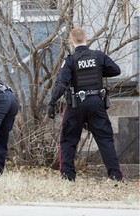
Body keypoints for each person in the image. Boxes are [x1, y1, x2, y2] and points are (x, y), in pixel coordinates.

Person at [47, 27, 123, 181]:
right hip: (97, 102)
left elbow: (61, 84)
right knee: (105, 139)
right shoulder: (98, 56)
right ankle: (115, 175)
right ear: (86, 38)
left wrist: (52, 102)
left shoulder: (70, 60)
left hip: (76, 104)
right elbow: (116, 70)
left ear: (71, 40)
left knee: (68, 139)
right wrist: (99, 71)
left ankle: (68, 177)